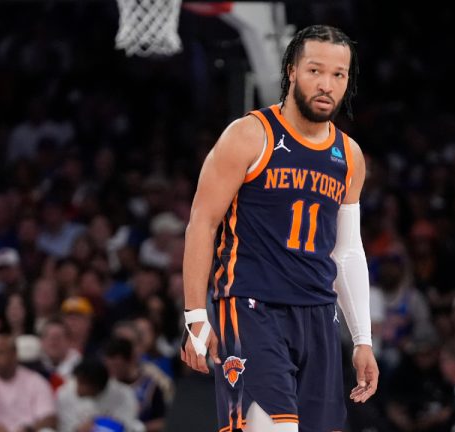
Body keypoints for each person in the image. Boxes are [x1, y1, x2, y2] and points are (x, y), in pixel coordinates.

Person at [180, 24, 378, 432]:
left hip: (319, 316)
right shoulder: (249, 135)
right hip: (253, 307)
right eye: (314, 71)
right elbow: (203, 221)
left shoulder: (350, 156)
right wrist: (196, 314)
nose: (326, 84)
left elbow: (347, 251)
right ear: (290, 70)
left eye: (338, 75)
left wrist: (363, 339)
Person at [0, 333, 56, 432]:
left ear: (14, 355)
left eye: (0, 353)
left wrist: (28, 428)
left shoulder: (35, 381)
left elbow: (49, 418)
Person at [56, 358, 142, 432]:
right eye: (78, 381)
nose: (77, 388)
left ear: (97, 386)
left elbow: (128, 425)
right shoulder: (65, 393)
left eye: (83, 383)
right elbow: (63, 426)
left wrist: (100, 426)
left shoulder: (124, 394)